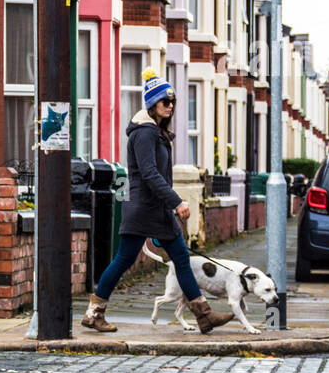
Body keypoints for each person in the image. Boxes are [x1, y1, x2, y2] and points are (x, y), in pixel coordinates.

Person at [81, 72, 234, 334]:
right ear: (152, 104)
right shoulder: (144, 134)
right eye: (165, 101)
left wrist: (169, 204)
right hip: (143, 207)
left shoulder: (156, 133)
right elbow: (150, 174)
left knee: (181, 257)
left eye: (172, 101)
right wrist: (176, 202)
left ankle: (204, 316)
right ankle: (94, 313)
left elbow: (157, 175)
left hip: (155, 208)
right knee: (124, 259)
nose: (171, 105)